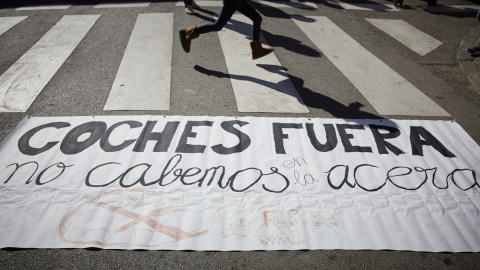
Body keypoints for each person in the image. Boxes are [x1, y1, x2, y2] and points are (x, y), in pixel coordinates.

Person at [179, 0, 274, 60]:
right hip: (232, 2)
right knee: (218, 26)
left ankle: (257, 49)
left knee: (257, 18)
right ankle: (188, 32)